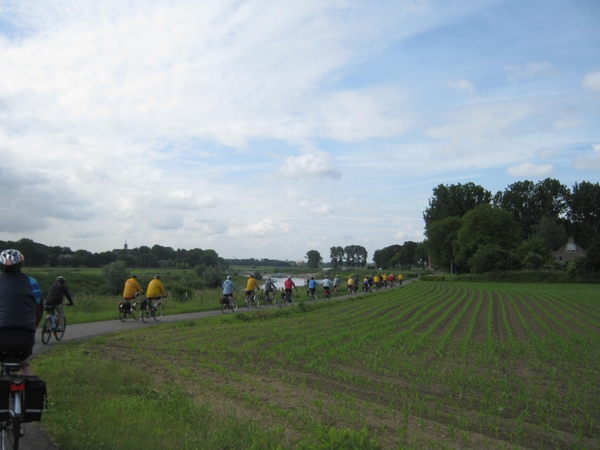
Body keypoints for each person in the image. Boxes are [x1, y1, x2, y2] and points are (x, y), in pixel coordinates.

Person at [0, 249, 42, 376]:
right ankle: (27, 393)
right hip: (25, 335)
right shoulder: (32, 282)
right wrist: (33, 327)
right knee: (24, 364)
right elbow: (38, 308)